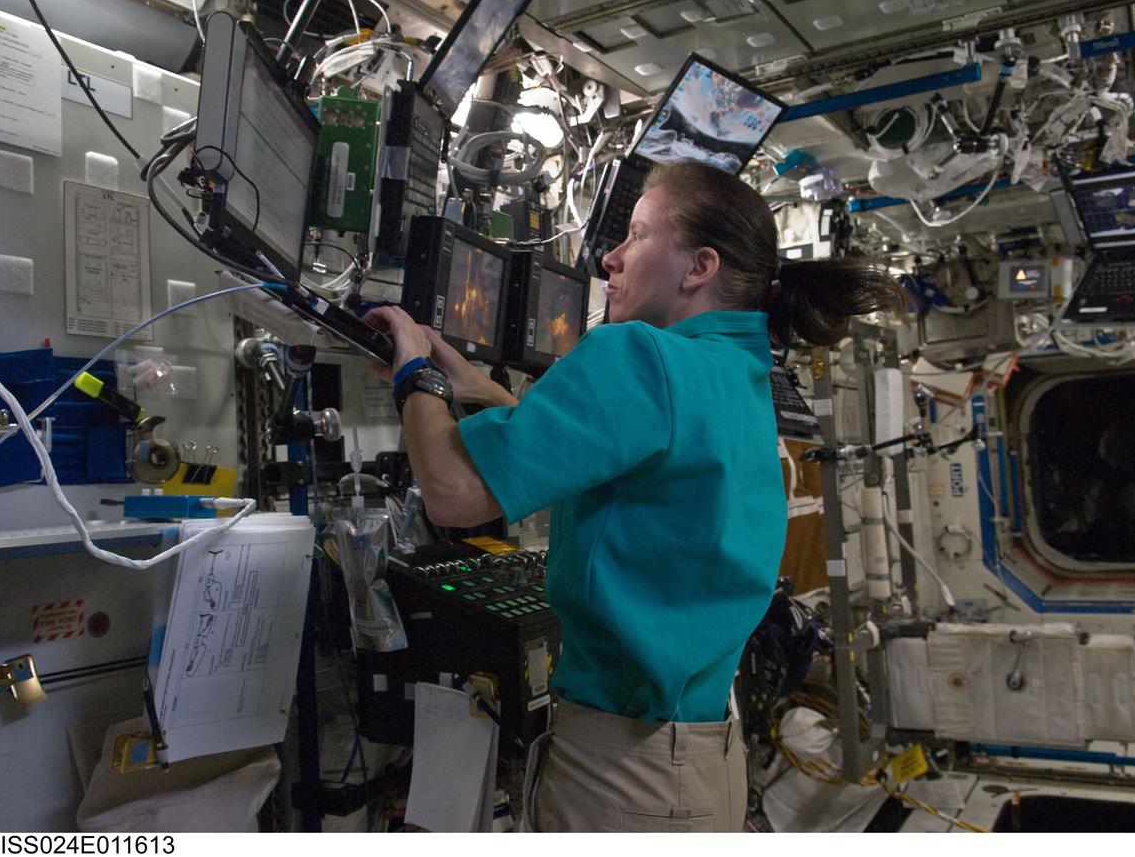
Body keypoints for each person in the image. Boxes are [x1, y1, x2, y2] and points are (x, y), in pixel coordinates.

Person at [364, 160, 904, 832]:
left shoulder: (638, 355)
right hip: (698, 767)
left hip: (624, 778)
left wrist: (416, 372)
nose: (610, 258)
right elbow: (625, 457)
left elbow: (450, 493)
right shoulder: (735, 372)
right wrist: (481, 391)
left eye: (638, 235)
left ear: (699, 267)